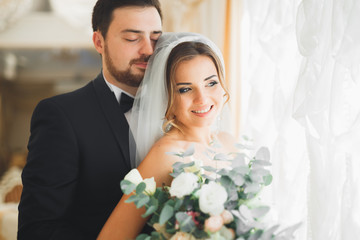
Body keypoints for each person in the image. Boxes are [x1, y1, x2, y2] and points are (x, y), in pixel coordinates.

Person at [17, 0, 162, 239]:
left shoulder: (183, 109)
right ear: (99, 42)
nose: (148, 49)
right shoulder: (60, 115)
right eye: (132, 38)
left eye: (156, 37)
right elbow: (37, 230)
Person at [97, 32, 237, 239]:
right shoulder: (166, 154)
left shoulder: (227, 142)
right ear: (167, 98)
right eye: (185, 89)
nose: (202, 98)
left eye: (211, 83)